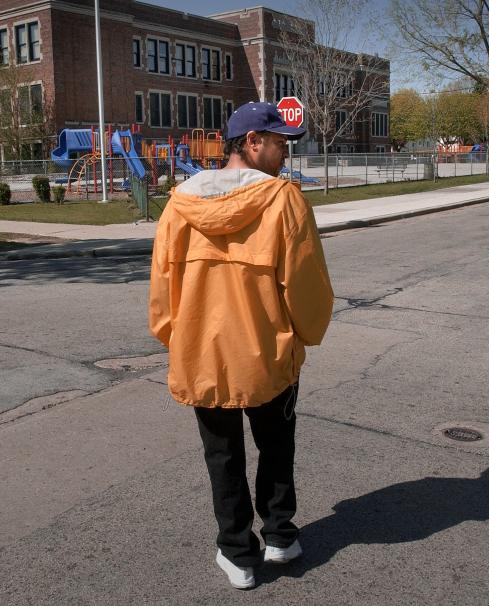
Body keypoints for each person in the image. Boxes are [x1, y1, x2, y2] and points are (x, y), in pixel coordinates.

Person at [149, 101, 334, 589]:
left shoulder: (179, 205)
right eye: (279, 144)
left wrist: (177, 339)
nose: (284, 155)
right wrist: (306, 336)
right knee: (276, 445)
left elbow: (162, 293)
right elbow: (307, 286)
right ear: (251, 142)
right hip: (267, 354)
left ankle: (237, 553)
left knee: (222, 454)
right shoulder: (284, 201)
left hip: (201, 357)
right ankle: (278, 536)